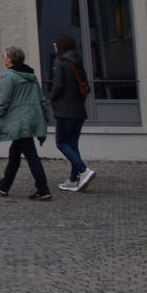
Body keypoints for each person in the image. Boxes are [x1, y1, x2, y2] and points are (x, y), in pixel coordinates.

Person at [0, 44, 53, 201]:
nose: (3, 58)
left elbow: (4, 98)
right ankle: (4, 185)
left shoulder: (9, 76)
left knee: (31, 155)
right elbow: (41, 98)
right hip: (31, 119)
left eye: (5, 56)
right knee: (15, 153)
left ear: (11, 59)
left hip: (19, 122)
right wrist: (45, 117)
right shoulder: (31, 75)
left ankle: (43, 189)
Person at [49, 34, 95, 191]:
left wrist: (52, 99)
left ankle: (83, 170)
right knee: (73, 145)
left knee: (61, 143)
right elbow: (86, 86)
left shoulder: (60, 62)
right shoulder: (78, 63)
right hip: (79, 110)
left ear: (62, 45)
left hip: (65, 110)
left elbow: (58, 85)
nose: (54, 45)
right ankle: (74, 179)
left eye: (56, 43)